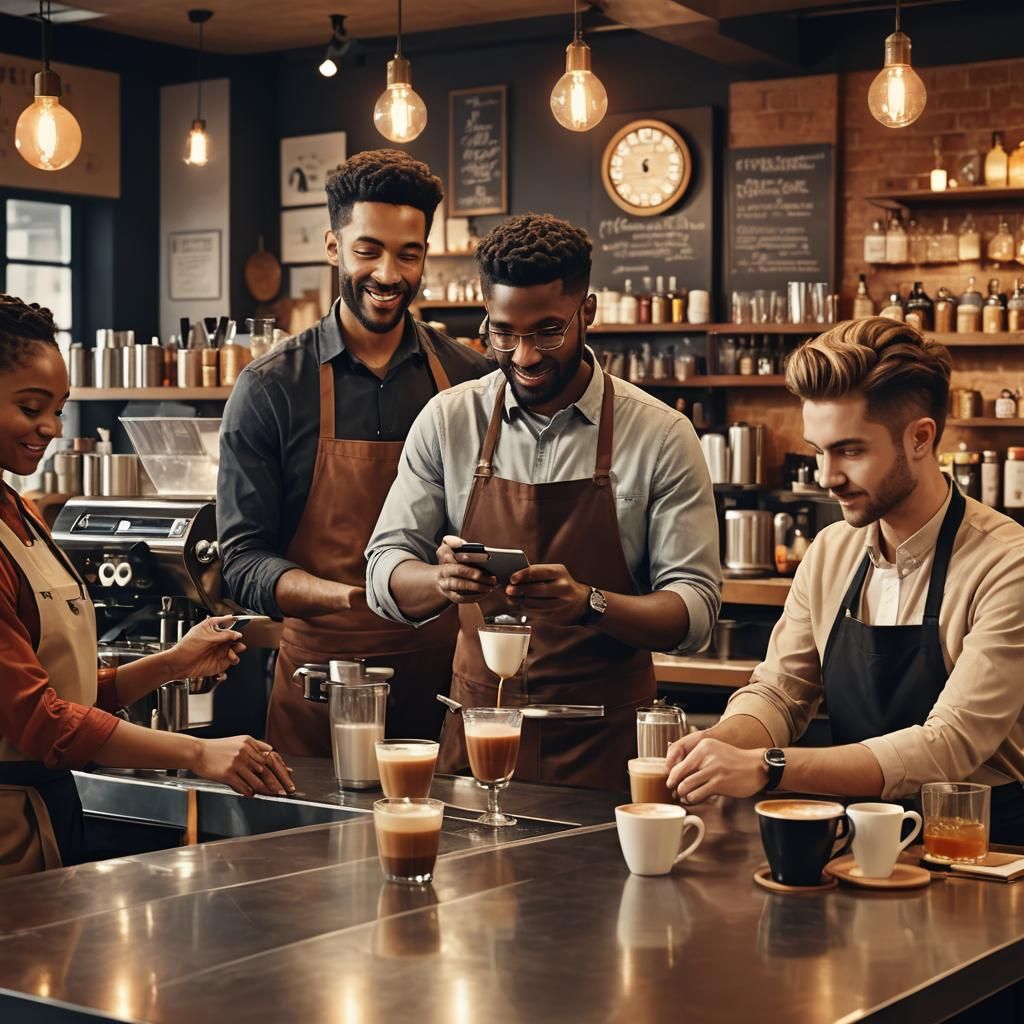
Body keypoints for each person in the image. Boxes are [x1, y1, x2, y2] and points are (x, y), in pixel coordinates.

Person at [365, 213, 721, 789]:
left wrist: (590, 603)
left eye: (548, 331)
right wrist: (441, 582)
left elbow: (695, 611)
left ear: (589, 312)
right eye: (504, 333)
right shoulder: (449, 421)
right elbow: (384, 569)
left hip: (608, 753)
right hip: (479, 739)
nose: (525, 356)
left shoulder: (660, 435)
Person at [666, 318, 1024, 845]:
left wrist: (768, 766)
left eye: (850, 451)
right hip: (860, 842)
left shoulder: (1005, 564)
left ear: (921, 438)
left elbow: (947, 745)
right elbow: (781, 692)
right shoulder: (832, 550)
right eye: (819, 450)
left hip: (983, 851)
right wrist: (718, 745)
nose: (826, 476)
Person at [0, 295, 294, 878]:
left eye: (59, 409)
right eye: (31, 407)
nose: (51, 430)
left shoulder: (21, 509)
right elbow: (44, 722)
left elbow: (72, 693)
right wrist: (200, 752)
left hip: (48, 813)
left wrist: (172, 662)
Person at [218, 149, 491, 756]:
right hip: (323, 690)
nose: (389, 274)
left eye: (408, 253)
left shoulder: (474, 379)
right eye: (368, 250)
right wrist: (361, 597)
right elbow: (241, 561)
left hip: (450, 688)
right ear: (334, 246)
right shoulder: (271, 388)